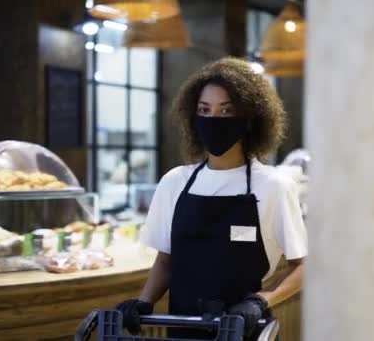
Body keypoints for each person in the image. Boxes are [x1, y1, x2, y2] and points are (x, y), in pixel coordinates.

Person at [116, 57, 308, 340]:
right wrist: (144, 301)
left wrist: (261, 300)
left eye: (226, 111)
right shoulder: (175, 183)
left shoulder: (273, 186)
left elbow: (302, 267)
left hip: (244, 332)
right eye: (204, 110)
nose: (213, 120)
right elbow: (166, 260)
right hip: (182, 329)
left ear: (250, 119)